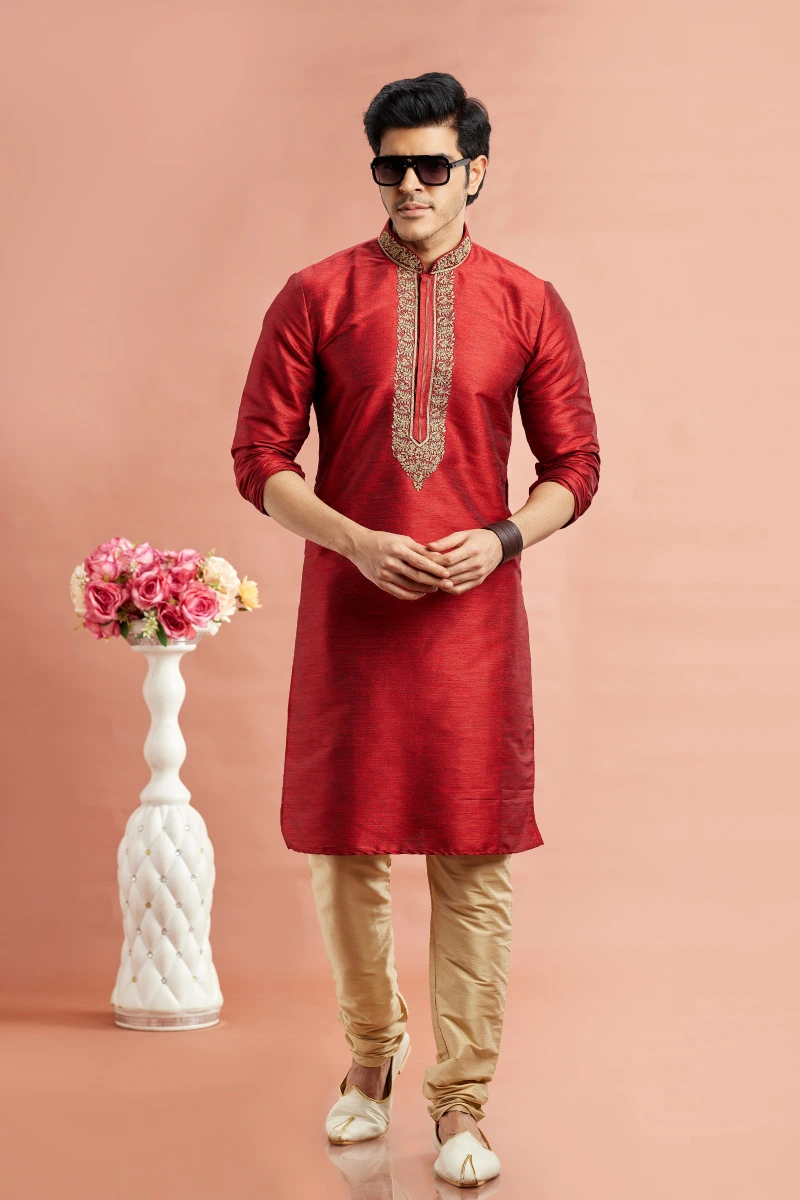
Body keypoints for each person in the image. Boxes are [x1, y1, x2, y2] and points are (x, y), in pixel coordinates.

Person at [231, 71, 600, 1188]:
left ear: (473, 171)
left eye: (431, 165)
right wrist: (350, 540)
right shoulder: (315, 295)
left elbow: (575, 467)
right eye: (389, 166)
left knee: (473, 857)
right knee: (346, 854)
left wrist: (501, 538)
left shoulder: (526, 301)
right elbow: (258, 458)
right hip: (351, 612)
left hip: (472, 625)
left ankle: (462, 1101)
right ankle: (369, 1058)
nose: (408, 185)